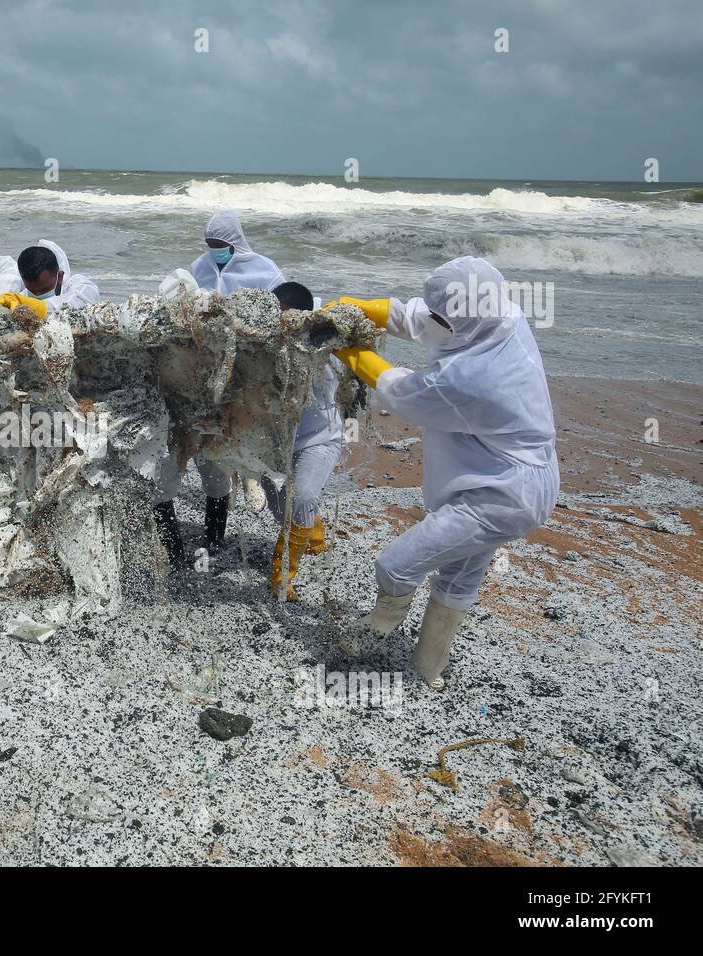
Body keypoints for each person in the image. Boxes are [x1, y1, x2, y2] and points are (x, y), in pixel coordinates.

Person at [334, 257, 559, 689]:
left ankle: (374, 630)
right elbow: (425, 319)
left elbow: (402, 393)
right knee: (458, 577)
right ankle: (428, 669)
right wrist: (357, 307)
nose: (433, 318)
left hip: (504, 495)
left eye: (442, 314)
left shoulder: (472, 377)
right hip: (511, 471)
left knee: (397, 564)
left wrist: (351, 352)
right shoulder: (499, 316)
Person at [153, 210, 289, 568]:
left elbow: (278, 318)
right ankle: (174, 552)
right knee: (177, 470)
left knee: (222, 462)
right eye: (210, 246)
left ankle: (216, 539)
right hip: (192, 387)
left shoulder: (265, 271)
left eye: (220, 246)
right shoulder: (197, 268)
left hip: (237, 386)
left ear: (235, 243)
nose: (214, 251)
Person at [263, 281, 346, 601]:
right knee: (281, 507)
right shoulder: (266, 343)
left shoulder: (329, 343)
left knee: (303, 496)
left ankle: (281, 577)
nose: (283, 327)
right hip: (277, 440)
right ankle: (314, 535)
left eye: (288, 319)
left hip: (319, 437)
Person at [15, 240, 100, 311]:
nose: (38, 294)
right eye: (32, 291)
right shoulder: (22, 297)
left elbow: (67, 306)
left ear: (59, 276)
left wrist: (37, 307)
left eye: (44, 289)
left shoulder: (83, 287)